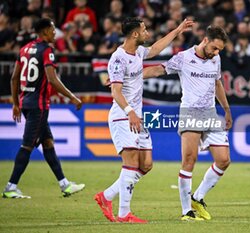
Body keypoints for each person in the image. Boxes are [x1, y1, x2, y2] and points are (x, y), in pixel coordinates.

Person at [94, 17, 193, 223]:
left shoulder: (138, 52)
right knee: (130, 162)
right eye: (145, 30)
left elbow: (156, 49)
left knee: (146, 165)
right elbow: (116, 91)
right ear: (135, 34)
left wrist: (178, 30)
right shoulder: (118, 58)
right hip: (124, 116)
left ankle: (107, 196)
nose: (147, 33)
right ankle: (124, 214)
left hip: (137, 117)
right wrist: (130, 111)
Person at [143, 26, 232, 220]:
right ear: (205, 41)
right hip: (190, 112)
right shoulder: (184, 57)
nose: (216, 53)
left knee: (224, 160)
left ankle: (197, 197)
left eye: (220, 50)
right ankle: (186, 212)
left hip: (210, 113)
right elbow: (160, 69)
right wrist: (133, 75)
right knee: (189, 161)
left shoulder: (215, 59)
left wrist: (226, 108)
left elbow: (217, 83)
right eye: (215, 48)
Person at [2, 18, 85, 199]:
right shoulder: (47, 50)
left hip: (26, 103)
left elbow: (14, 78)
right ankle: (10, 186)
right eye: (53, 29)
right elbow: (52, 79)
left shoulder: (24, 49)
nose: (55, 33)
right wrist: (72, 97)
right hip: (38, 106)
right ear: (45, 31)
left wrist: (16, 103)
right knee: (27, 145)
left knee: (47, 142)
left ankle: (65, 185)